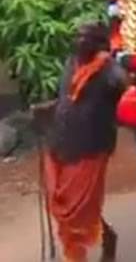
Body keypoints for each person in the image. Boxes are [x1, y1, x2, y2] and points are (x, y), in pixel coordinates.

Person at [42, 24, 126, 262]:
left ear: (99, 43)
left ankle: (77, 257)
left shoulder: (110, 70)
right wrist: (48, 110)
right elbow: (67, 98)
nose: (80, 41)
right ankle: (105, 236)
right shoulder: (72, 63)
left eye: (86, 38)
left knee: (78, 210)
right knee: (61, 205)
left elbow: (126, 90)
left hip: (90, 147)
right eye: (77, 37)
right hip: (59, 141)